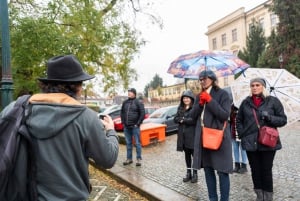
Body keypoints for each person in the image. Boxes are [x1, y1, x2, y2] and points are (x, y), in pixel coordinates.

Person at [0, 54, 119, 200]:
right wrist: (111, 131)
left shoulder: (15, 109)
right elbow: (108, 159)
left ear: (47, 85)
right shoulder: (87, 118)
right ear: (77, 86)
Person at [236, 77, 287, 201]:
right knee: (255, 170)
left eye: (257, 85)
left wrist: (270, 117)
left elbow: (283, 120)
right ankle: (259, 196)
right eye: (252, 85)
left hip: (267, 142)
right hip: (250, 142)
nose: (254, 87)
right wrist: (242, 133)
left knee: (266, 170)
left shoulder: (273, 101)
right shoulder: (245, 103)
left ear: (263, 87)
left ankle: (268, 197)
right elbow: (239, 120)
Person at [191, 70, 233, 201]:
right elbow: (192, 116)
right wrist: (200, 104)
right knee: (208, 171)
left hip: (219, 138)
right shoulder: (199, 96)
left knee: (222, 172)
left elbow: (224, 115)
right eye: (200, 79)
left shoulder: (223, 94)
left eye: (205, 78)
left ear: (213, 79)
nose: (202, 81)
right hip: (203, 138)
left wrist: (210, 101)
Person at [174, 90, 197, 183]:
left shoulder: (194, 108)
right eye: (184, 98)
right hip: (183, 136)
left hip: (192, 136)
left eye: (187, 98)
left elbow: (194, 120)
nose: (185, 100)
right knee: (187, 156)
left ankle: (195, 174)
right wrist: (182, 119)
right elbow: (175, 119)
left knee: (194, 156)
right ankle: (188, 173)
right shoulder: (180, 108)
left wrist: (183, 120)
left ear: (191, 99)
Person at [121, 88, 145, 166]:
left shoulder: (138, 102)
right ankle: (129, 159)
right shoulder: (125, 102)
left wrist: (137, 124)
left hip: (135, 127)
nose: (129, 93)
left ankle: (138, 159)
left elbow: (142, 114)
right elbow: (122, 113)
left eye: (130, 92)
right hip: (126, 127)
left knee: (137, 143)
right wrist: (123, 123)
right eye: (128, 92)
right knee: (128, 143)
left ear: (134, 93)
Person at [230, 104, 248, 174]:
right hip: (234, 130)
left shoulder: (245, 104)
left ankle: (244, 165)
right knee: (235, 148)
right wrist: (233, 112)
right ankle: (237, 165)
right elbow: (230, 118)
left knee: (243, 149)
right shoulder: (233, 106)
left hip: (242, 131)